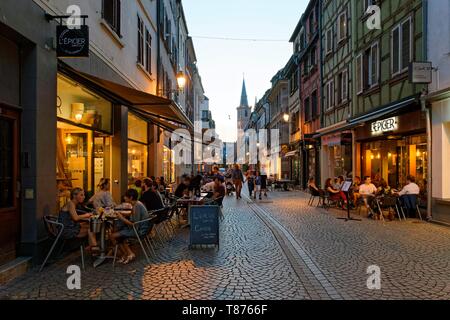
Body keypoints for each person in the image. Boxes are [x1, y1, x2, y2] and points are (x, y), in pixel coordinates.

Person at [110, 189, 150, 264]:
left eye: (125, 196)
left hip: (138, 230)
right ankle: (127, 254)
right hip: (142, 228)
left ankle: (127, 254)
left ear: (130, 197)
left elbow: (133, 224)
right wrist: (122, 214)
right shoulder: (136, 204)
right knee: (118, 231)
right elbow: (131, 214)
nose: (124, 198)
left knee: (113, 236)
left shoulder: (136, 206)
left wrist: (121, 217)